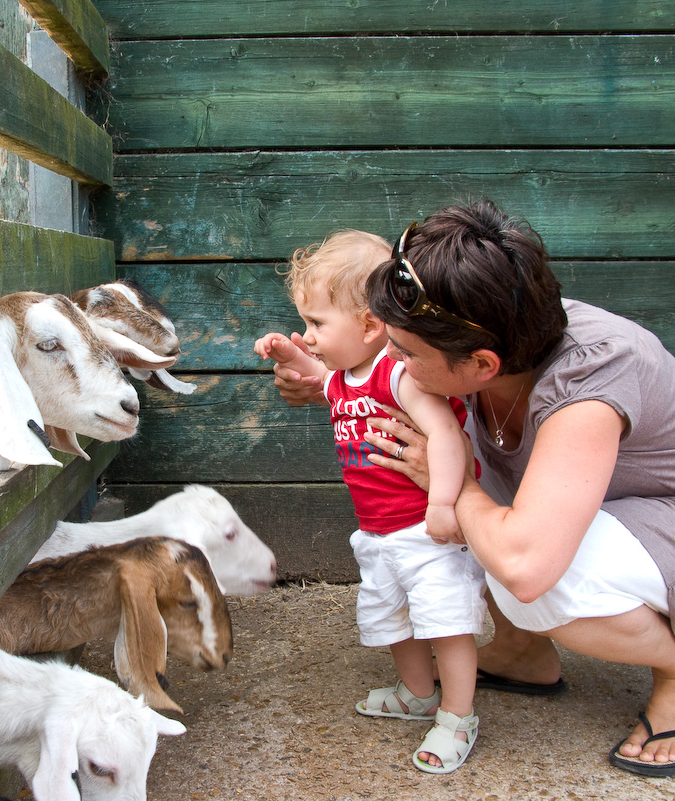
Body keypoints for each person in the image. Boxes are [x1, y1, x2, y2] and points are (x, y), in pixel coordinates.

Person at [270, 199, 675, 777]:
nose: (394, 361)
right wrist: (327, 386)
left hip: (658, 512)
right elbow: (378, 380)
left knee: (533, 577)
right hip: (579, 500)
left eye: (404, 353)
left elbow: (527, 562)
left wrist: (450, 486)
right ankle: (522, 652)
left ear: (482, 364)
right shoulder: (477, 326)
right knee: (493, 523)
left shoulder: (590, 376)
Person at [254, 229, 486, 774]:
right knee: (394, 620)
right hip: (377, 530)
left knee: (445, 624)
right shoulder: (342, 378)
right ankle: (417, 693)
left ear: (368, 325)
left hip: (423, 528)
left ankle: (458, 716)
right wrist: (289, 351)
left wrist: (446, 505)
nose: (308, 335)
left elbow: (449, 438)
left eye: (316, 324)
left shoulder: (401, 373)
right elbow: (317, 377)